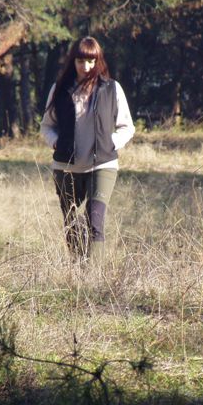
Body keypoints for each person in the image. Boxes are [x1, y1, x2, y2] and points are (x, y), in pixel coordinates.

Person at [40, 36, 135, 264]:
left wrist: (111, 143)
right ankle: (78, 268)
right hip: (66, 167)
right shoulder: (59, 89)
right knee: (71, 222)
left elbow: (127, 127)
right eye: (81, 61)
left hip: (102, 165)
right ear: (73, 61)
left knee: (95, 220)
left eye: (91, 61)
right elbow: (46, 126)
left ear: (98, 60)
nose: (86, 66)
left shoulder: (112, 89)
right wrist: (56, 142)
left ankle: (95, 275)